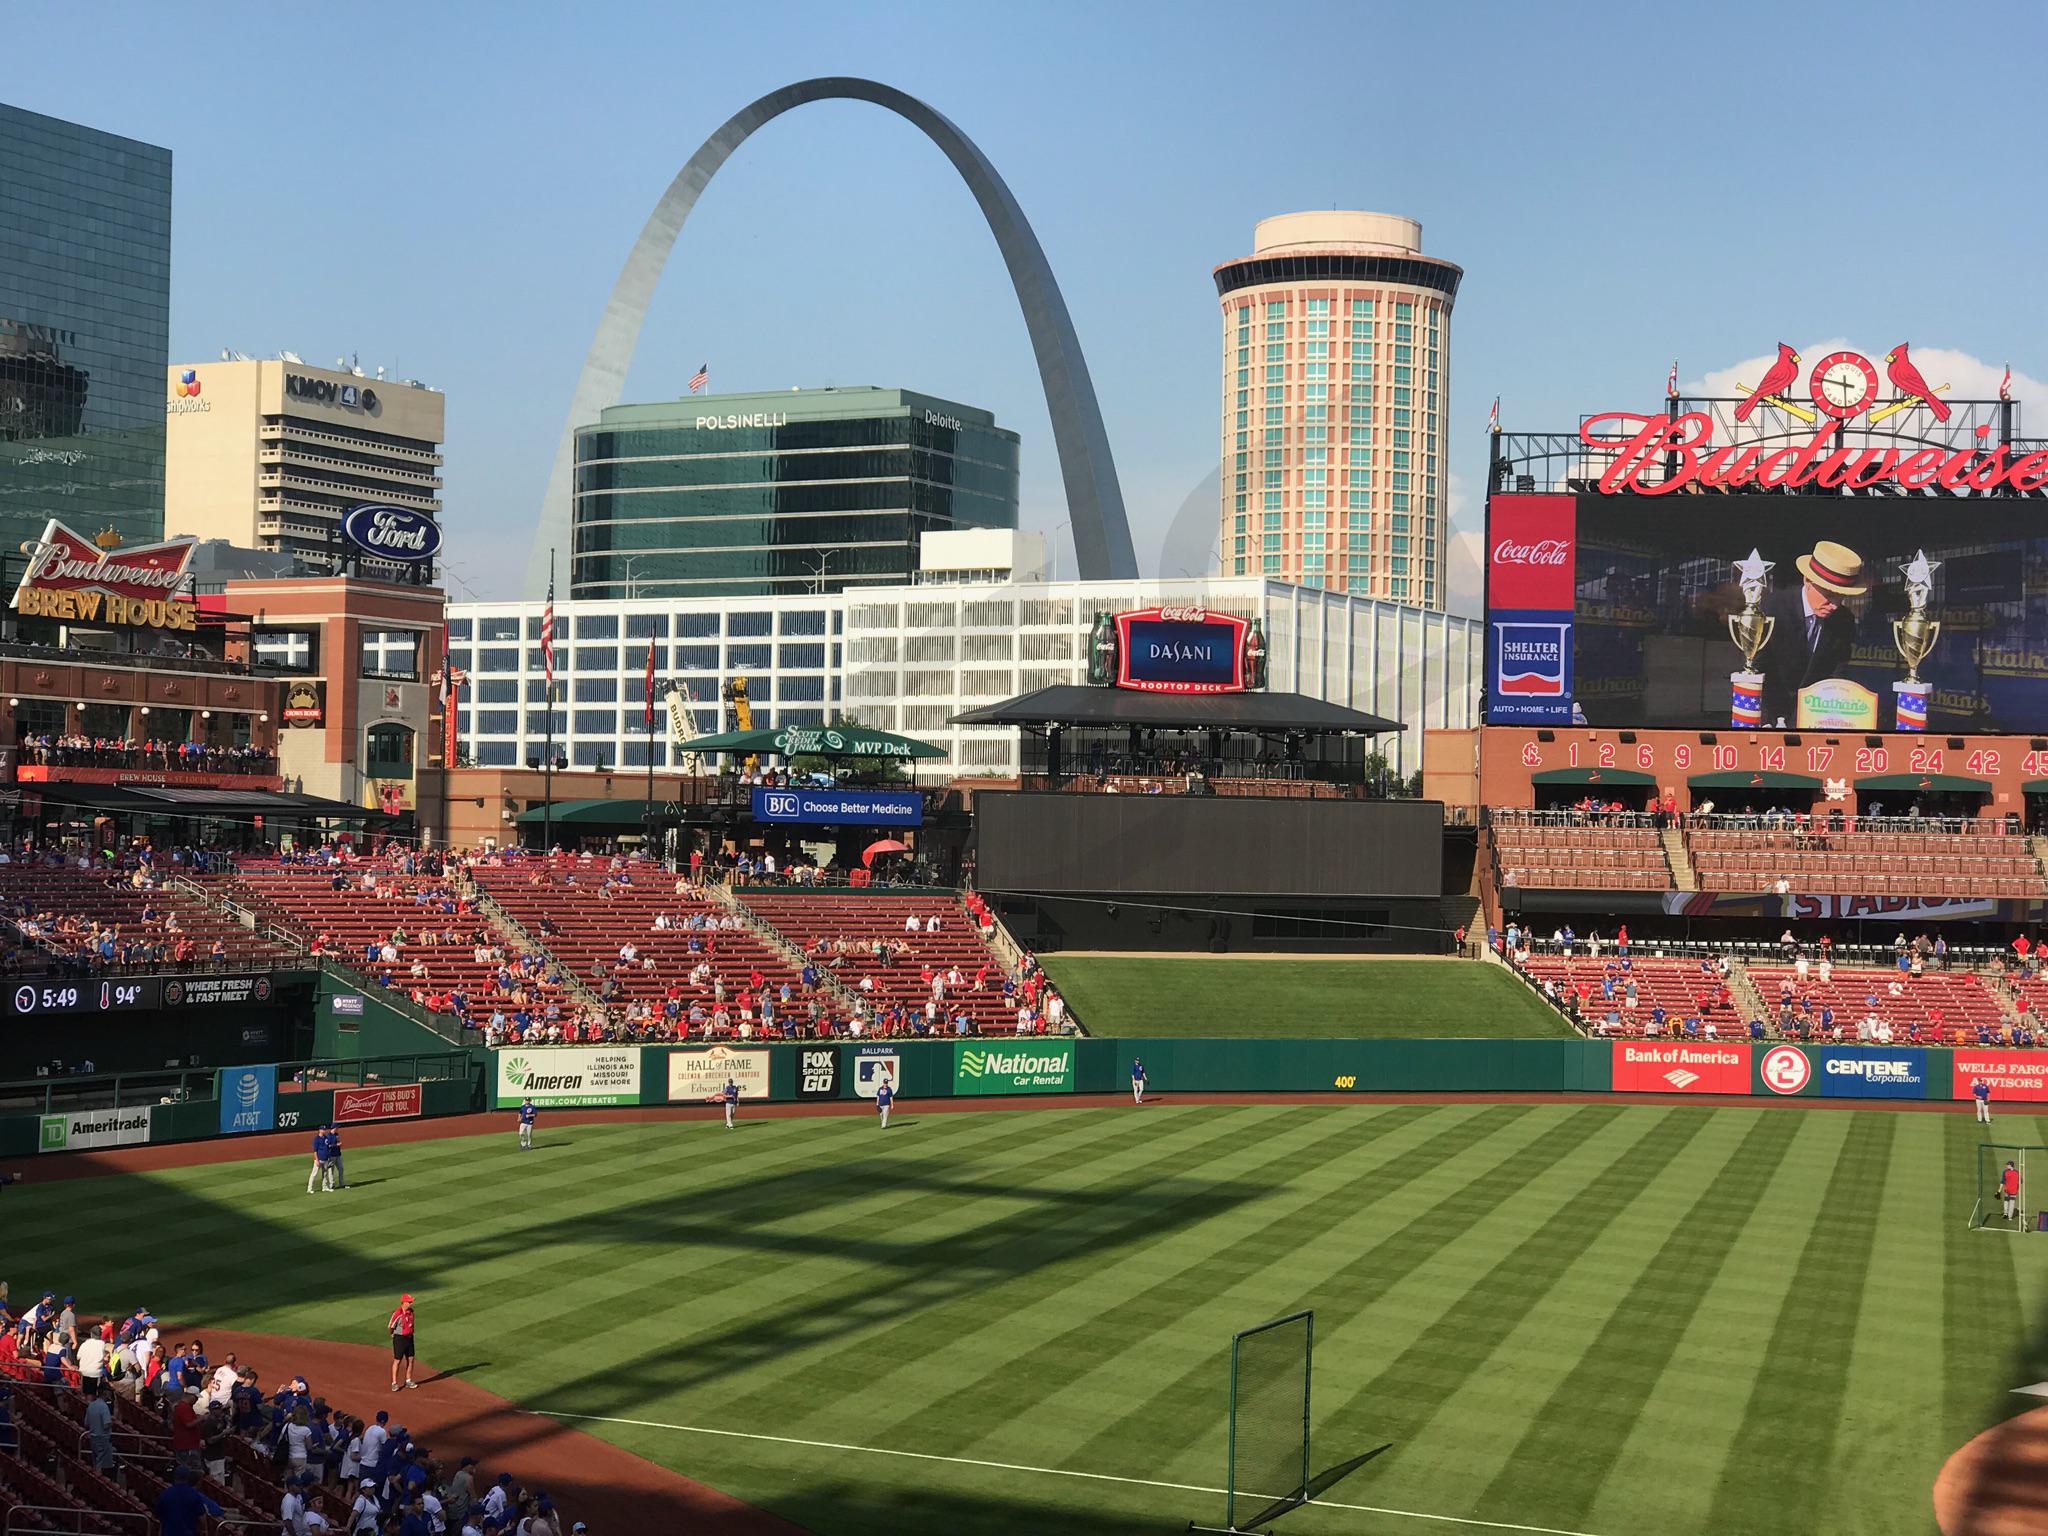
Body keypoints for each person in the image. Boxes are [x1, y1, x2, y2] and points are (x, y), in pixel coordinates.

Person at [1755, 540, 1866, 728]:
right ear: (1807, 581)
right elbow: (1756, 667)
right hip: (1769, 716)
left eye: (1842, 596)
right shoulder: (1771, 608)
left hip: (1815, 720)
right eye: (1829, 595)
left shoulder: (1844, 620)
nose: (1835, 604)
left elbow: (1837, 673)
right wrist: (1765, 720)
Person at [153, 1466, 223, 1536]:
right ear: (187, 1478)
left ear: (174, 1477)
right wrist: (204, 1530)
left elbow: (157, 1514)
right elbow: (201, 1516)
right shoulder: (194, 1494)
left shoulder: (165, 1493)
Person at [388, 1294, 418, 1392]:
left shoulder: (411, 1311)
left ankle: (408, 1380)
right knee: (397, 1360)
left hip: (409, 1337)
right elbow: (390, 1326)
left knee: (411, 1359)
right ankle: (394, 1383)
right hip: (399, 1338)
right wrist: (393, 1335)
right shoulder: (398, 1313)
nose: (411, 1303)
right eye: (409, 1302)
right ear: (404, 1302)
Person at [308, 1124, 332, 1195]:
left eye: (325, 1129)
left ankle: (324, 1187)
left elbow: (327, 1147)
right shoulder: (316, 1139)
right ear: (320, 1130)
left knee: (325, 1174)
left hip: (325, 1159)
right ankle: (309, 1188)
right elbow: (315, 1151)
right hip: (319, 1159)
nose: (324, 1131)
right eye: (323, 1129)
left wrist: (329, 1157)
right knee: (314, 1174)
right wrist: (317, 1160)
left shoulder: (326, 1138)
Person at [2003, 1160, 2023, 1226]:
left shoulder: (2005, 1172)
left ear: (2010, 1165)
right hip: (2014, 1191)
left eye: (2007, 1165)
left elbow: (2003, 1181)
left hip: (2007, 1190)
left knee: (2006, 1201)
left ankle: (2005, 1213)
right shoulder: (2017, 1172)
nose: (2006, 1166)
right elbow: (2021, 1181)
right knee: (2012, 1203)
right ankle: (2010, 1217)